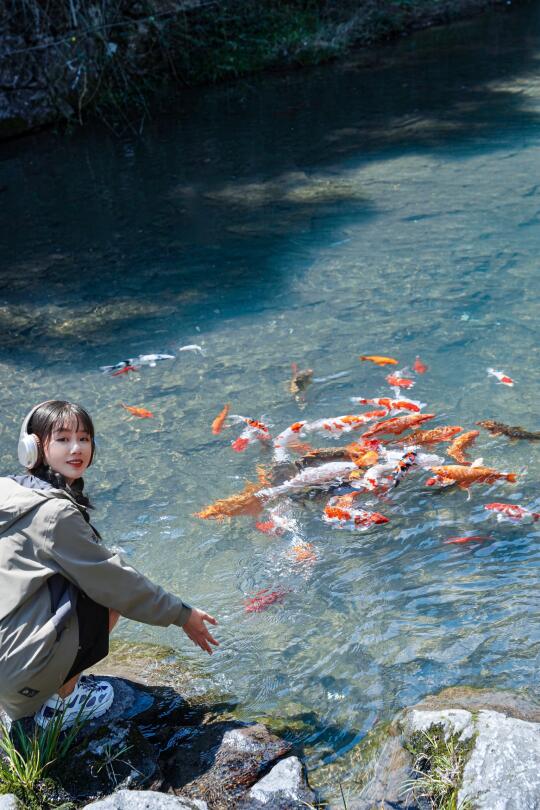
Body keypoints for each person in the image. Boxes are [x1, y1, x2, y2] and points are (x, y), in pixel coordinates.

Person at [0, 400, 219, 729]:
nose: (77, 449)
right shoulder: (53, 514)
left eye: (84, 438)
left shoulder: (9, 490)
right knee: (105, 598)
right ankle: (60, 702)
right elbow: (117, 583)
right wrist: (181, 614)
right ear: (32, 447)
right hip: (20, 677)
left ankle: (43, 685)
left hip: (7, 661)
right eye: (62, 439)